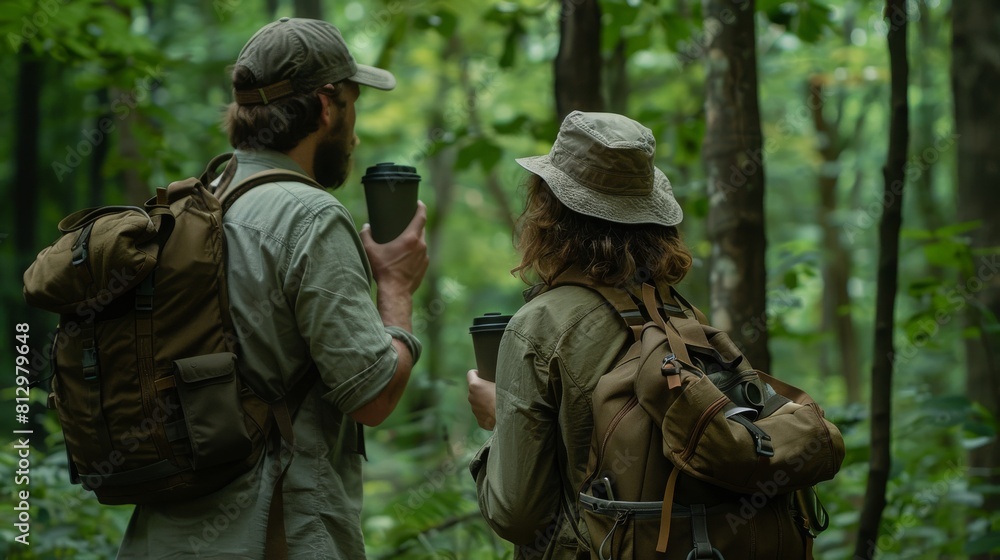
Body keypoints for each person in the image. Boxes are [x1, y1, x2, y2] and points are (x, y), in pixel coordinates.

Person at [117, 17, 428, 559]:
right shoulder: (309, 216)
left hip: (163, 535)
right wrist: (396, 286)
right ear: (328, 105)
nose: (354, 134)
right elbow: (373, 396)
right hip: (273, 533)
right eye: (354, 106)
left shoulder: (196, 205)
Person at [466, 111, 691, 559]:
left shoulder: (540, 325)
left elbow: (515, 514)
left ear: (548, 209)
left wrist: (500, 422)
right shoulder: (681, 315)